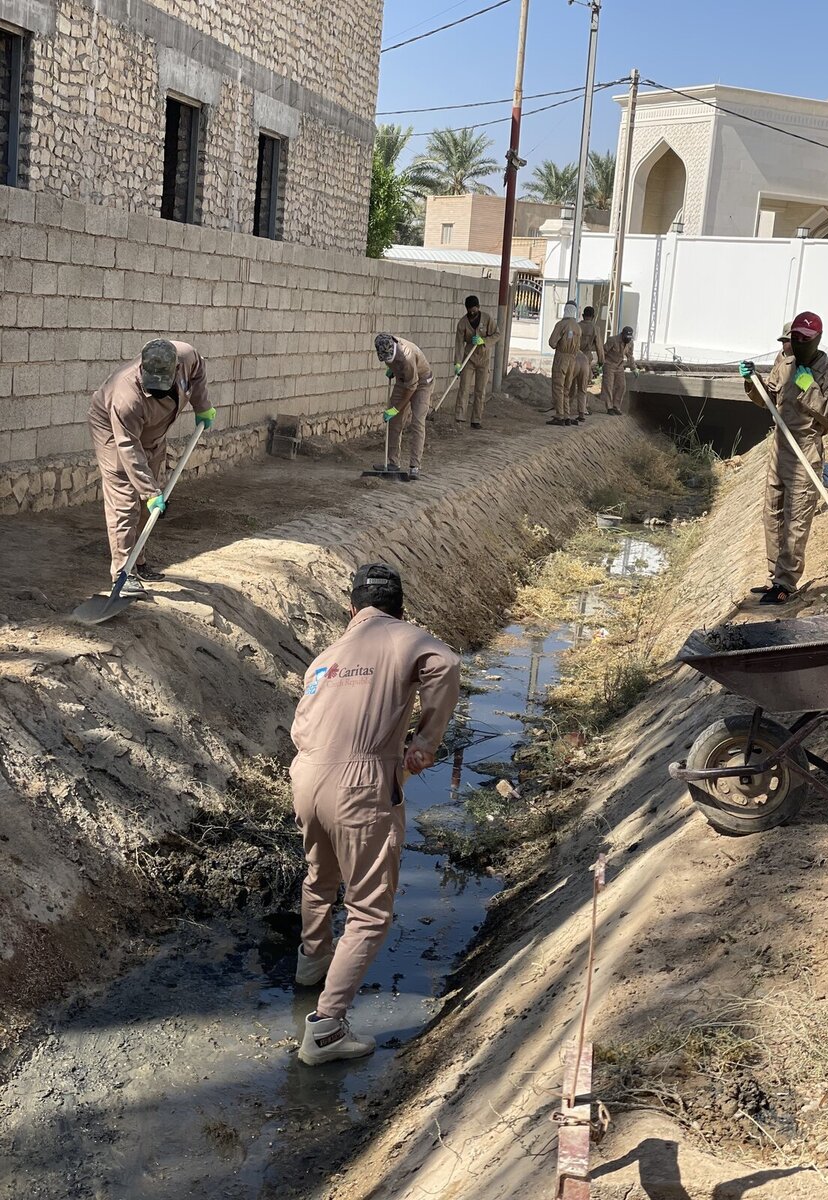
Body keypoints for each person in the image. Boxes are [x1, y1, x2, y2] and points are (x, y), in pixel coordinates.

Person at [290, 563, 460, 1065]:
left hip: (306, 775)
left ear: (352, 609)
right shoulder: (405, 638)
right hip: (360, 780)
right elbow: (446, 665)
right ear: (399, 608)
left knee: (320, 877)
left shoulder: (327, 657)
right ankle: (326, 1029)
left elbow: (301, 724)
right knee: (368, 910)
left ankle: (312, 963)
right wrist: (424, 742)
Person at [88, 339, 215, 595]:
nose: (156, 389)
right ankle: (123, 575)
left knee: (153, 498)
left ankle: (138, 560)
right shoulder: (126, 397)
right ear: (142, 369)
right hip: (115, 434)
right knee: (126, 501)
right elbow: (128, 447)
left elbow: (198, 371)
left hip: (154, 433)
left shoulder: (186, 356)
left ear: (175, 368)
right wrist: (148, 492)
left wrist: (202, 406)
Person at [740, 311, 828, 605]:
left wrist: (809, 389)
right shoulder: (785, 364)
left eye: (803, 339)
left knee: (796, 520)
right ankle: (774, 576)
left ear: (817, 340)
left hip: (805, 452)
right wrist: (752, 381)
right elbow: (768, 399)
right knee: (772, 514)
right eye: (794, 338)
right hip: (780, 448)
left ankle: (786, 583)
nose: (797, 343)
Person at [374, 333, 434, 481]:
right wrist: (394, 369)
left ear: (393, 349)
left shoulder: (407, 356)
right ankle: (393, 463)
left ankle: (414, 466)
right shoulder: (384, 345)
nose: (387, 360)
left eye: (390, 358)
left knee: (417, 422)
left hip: (422, 383)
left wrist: (396, 408)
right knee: (394, 421)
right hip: (403, 380)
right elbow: (401, 374)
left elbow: (412, 387)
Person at [453, 295, 499, 430]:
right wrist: (458, 363)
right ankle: (460, 417)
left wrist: (484, 341)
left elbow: (497, 334)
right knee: (464, 388)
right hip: (469, 358)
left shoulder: (487, 319)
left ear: (478, 307)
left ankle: (476, 419)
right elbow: (459, 344)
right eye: (470, 310)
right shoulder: (462, 323)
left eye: (474, 309)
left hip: (484, 358)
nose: (472, 312)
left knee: (480, 390)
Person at [547, 300, 581, 426]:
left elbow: (552, 342)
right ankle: (567, 415)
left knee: (558, 386)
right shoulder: (578, 327)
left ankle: (559, 415)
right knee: (567, 388)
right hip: (573, 360)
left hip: (561, 358)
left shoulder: (561, 324)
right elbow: (578, 346)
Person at [600, 326, 637, 415]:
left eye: (629, 338)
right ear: (622, 334)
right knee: (608, 386)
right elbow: (603, 351)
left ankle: (616, 406)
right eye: (626, 337)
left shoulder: (630, 343)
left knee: (622, 386)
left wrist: (634, 368)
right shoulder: (613, 340)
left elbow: (630, 356)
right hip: (609, 364)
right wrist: (600, 363)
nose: (628, 339)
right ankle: (609, 407)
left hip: (620, 366)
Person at [578, 305, 605, 376]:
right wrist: (601, 361)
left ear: (583, 315)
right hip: (586, 357)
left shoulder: (576, 326)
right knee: (585, 379)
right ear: (593, 317)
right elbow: (599, 346)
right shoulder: (595, 328)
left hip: (575, 356)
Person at [568, 350, 592, 423]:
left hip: (573, 360)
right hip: (585, 362)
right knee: (582, 390)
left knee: (568, 388)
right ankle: (581, 414)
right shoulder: (583, 354)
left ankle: (566, 412)